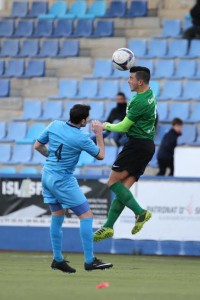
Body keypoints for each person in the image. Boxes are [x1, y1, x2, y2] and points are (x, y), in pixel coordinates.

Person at [34, 104, 113, 273]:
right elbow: (101, 155)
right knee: (87, 216)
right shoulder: (81, 137)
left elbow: (37, 146)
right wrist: (99, 133)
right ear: (83, 120)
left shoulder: (55, 124)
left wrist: (53, 158)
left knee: (57, 215)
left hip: (47, 175)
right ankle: (90, 260)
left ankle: (57, 259)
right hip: (62, 179)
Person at [93, 66, 157, 242]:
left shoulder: (139, 101)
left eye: (131, 78)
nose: (128, 80)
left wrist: (103, 126)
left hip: (136, 145)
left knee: (113, 183)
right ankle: (108, 226)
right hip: (147, 146)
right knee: (123, 190)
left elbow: (122, 127)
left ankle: (140, 213)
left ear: (140, 81)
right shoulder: (150, 94)